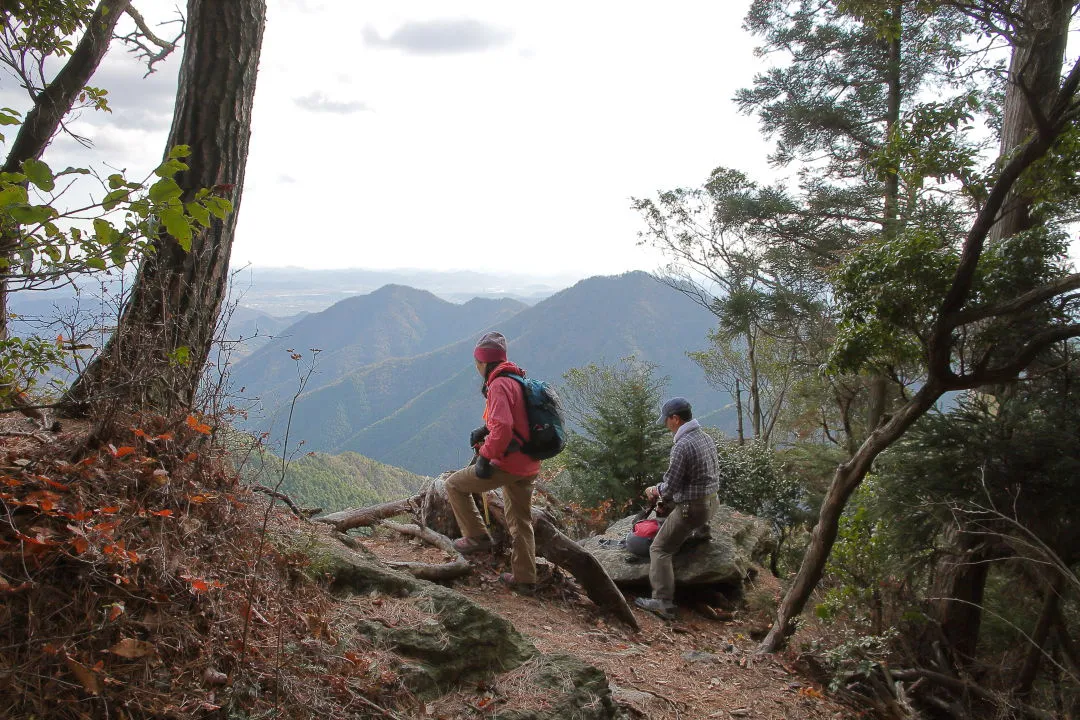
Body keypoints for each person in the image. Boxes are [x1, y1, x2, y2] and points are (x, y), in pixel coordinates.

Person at [445, 331, 540, 593]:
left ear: (484, 362)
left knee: (453, 485)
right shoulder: (516, 379)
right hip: (529, 463)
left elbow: (505, 428)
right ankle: (525, 580)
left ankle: (476, 536)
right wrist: (484, 429)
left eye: (477, 362)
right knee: (521, 521)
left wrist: (486, 456)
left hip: (509, 463)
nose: (476, 367)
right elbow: (512, 421)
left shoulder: (498, 384)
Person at [635, 396, 720, 619]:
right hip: (711, 503)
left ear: (676, 419)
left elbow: (671, 486)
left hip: (692, 509)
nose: (665, 424)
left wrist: (654, 490)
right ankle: (701, 533)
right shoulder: (705, 437)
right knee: (681, 512)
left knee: (659, 549)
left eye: (667, 420)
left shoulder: (682, 446)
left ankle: (662, 601)